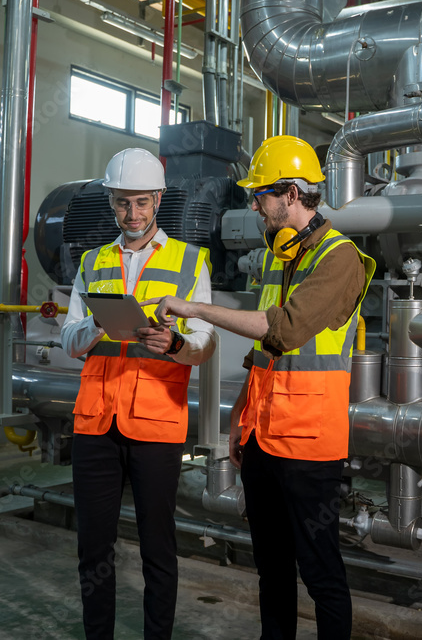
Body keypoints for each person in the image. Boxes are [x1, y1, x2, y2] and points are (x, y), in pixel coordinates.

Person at [144, 135, 376, 640]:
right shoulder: (280, 254)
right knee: (272, 570)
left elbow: (284, 329)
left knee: (321, 574)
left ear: (291, 194)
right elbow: (266, 354)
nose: (254, 204)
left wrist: (197, 308)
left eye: (262, 195)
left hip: (310, 445)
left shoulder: (341, 259)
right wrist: (238, 415)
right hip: (263, 437)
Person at [60, 147, 215, 640]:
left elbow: (205, 343)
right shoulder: (92, 261)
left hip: (155, 422)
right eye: (123, 203)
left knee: (157, 546)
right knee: (93, 548)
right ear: (110, 201)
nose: (133, 214)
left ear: (159, 200)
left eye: (142, 203)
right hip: (96, 426)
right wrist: (97, 325)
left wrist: (174, 343)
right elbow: (68, 341)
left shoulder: (190, 261)